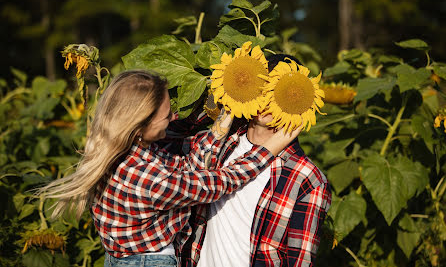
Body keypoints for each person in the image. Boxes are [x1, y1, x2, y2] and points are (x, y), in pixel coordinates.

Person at [38, 70, 300, 267]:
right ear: (139, 126)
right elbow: (218, 183)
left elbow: (182, 165)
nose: (174, 117)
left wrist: (219, 123)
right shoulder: (148, 178)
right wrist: (267, 150)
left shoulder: (118, 147)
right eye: (167, 115)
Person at [181, 55, 332, 267]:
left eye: (279, 92)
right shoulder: (218, 146)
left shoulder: (307, 177)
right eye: (262, 88)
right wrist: (228, 92)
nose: (268, 100)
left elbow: (300, 261)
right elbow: (169, 132)